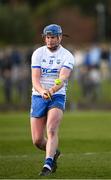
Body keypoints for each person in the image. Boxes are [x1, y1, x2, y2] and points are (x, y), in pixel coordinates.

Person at [30, 24, 75, 176]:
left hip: (57, 95)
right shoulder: (38, 53)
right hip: (38, 95)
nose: (49, 41)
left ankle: (48, 164)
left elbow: (62, 78)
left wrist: (52, 90)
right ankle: (54, 152)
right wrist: (42, 91)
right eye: (47, 38)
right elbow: (35, 79)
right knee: (37, 140)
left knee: (51, 129)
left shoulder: (67, 56)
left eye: (52, 37)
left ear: (60, 37)